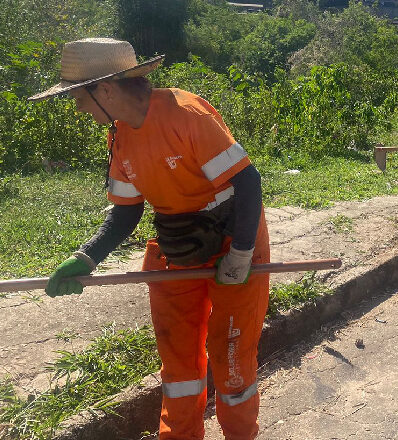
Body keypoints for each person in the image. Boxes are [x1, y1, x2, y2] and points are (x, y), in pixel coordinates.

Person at [29, 38, 269, 440]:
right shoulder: (120, 137)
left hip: (235, 241)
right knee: (179, 367)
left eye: (78, 96)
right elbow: (127, 211)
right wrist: (87, 257)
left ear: (104, 89)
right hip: (177, 246)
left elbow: (247, 182)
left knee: (233, 359)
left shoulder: (185, 114)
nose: (78, 107)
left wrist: (242, 254)